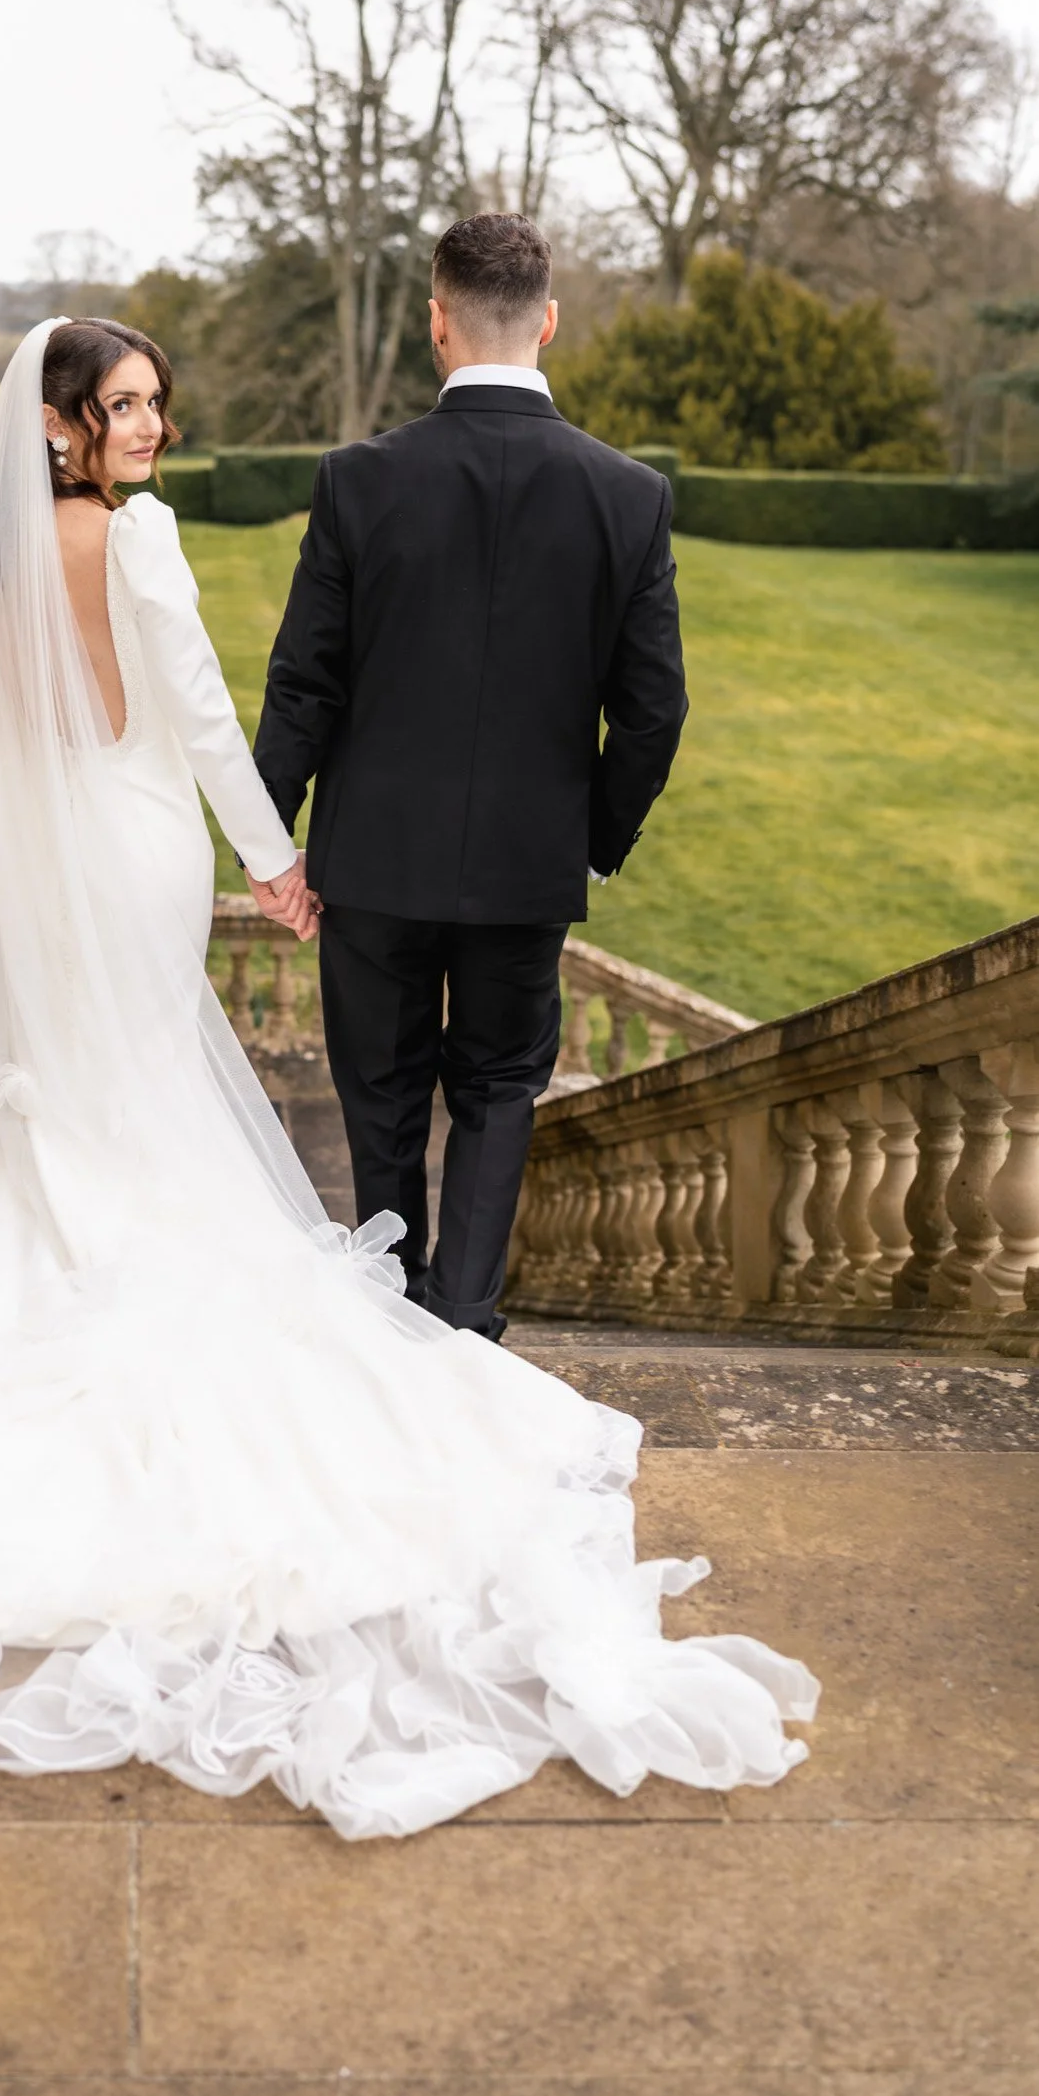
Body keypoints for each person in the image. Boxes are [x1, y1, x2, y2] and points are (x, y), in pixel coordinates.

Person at [0, 313, 814, 1840]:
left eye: (153, 401)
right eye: (124, 407)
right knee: (116, 1098)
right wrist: (273, 865)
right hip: (131, 857)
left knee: (61, 1098)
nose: (152, 424)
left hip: (37, 862)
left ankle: (83, 1284)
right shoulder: (137, 545)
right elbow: (203, 719)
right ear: (62, 425)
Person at [254, 212, 687, 1342]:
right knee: (498, 1093)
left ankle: (393, 1329)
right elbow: (652, 711)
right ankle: (464, 1330)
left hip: (372, 864)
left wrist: (270, 842)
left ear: (435, 323)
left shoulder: (356, 480)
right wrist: (585, 834)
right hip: (522, 869)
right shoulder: (627, 494)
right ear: (545, 321)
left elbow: (302, 683)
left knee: (382, 1101)